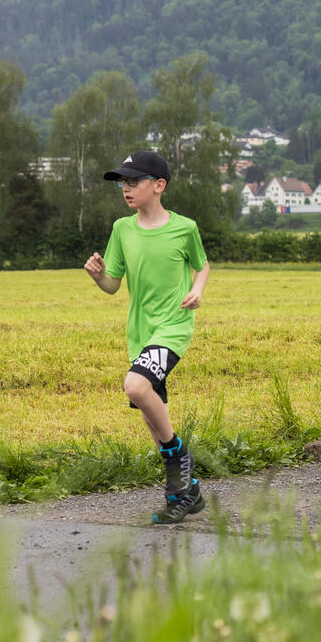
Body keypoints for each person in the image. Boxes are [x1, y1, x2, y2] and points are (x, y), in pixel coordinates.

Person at [83, 151, 210, 524]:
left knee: (136, 387)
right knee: (153, 418)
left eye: (133, 180)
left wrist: (198, 289)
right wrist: (98, 276)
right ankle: (187, 494)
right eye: (122, 181)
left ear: (158, 185)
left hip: (173, 326)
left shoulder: (184, 228)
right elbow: (112, 285)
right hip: (139, 331)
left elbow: (201, 265)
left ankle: (177, 454)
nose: (125, 188)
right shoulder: (122, 229)